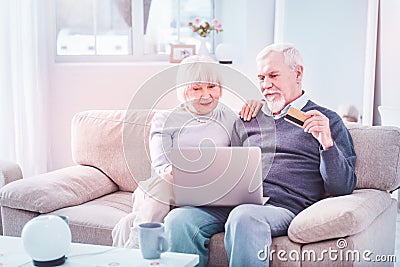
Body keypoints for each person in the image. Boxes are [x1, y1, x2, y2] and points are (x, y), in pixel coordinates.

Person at [163, 43, 357, 267]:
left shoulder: (326, 120)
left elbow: (343, 187)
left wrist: (327, 143)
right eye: (261, 78)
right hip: (236, 203)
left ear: (298, 73)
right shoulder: (249, 117)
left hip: (282, 206)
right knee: (179, 220)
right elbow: (230, 166)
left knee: (244, 216)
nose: (266, 85)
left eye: (273, 75)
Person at [112, 55, 262, 248]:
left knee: (128, 223)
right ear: (183, 91)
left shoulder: (231, 117)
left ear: (220, 88)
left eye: (211, 87)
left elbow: (240, 161)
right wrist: (176, 172)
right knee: (163, 182)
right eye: (196, 88)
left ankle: (135, 234)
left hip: (209, 193)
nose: (206, 95)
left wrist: (259, 104)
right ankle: (137, 249)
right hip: (167, 190)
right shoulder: (164, 119)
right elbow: (161, 166)